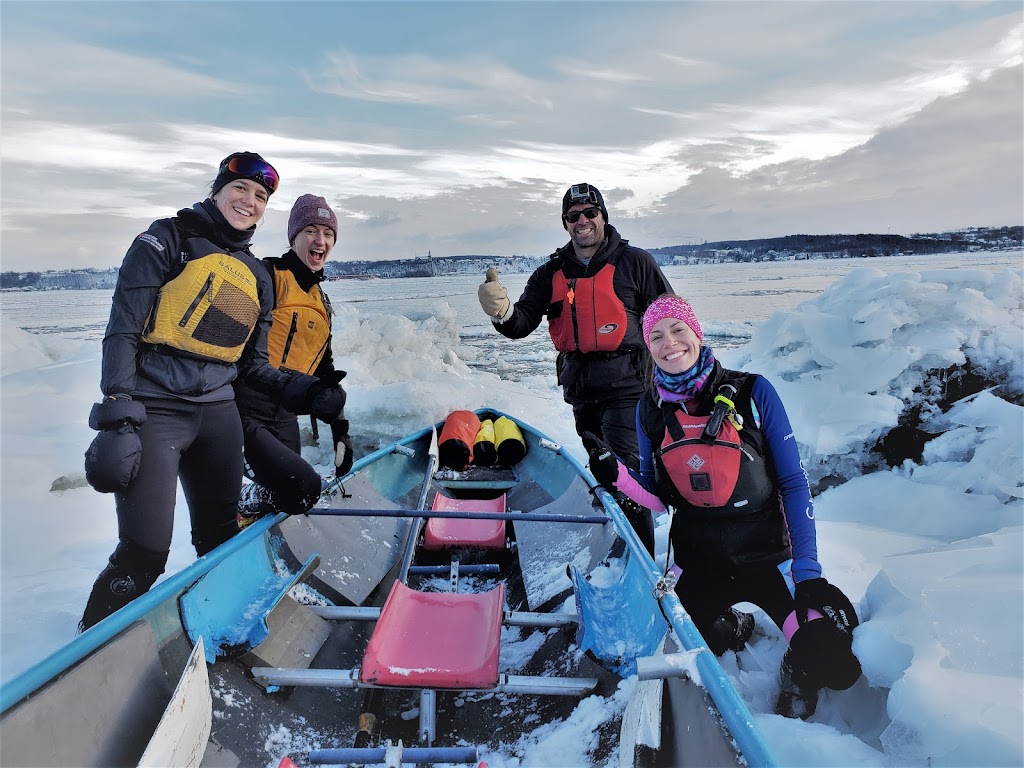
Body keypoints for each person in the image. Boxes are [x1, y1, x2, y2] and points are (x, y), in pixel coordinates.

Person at [80, 153, 346, 631]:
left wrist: (306, 392)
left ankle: (220, 626)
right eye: (241, 189)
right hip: (157, 408)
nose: (249, 202)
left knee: (222, 537)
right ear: (219, 189)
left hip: (218, 414)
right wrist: (118, 412)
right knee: (146, 550)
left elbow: (253, 366)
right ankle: (88, 646)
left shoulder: (255, 276)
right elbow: (121, 330)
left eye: (260, 196)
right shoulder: (165, 239)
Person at [583, 293, 862, 718]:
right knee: (666, 647)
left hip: (768, 556)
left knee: (830, 659)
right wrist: (617, 477)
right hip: (698, 562)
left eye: (678, 330)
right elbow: (660, 499)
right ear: (648, 346)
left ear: (696, 333)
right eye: (656, 336)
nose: (668, 342)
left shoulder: (754, 392)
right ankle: (731, 627)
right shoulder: (649, 409)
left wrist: (808, 574)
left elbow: (793, 484)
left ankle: (796, 664)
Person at [477, 182, 672, 553]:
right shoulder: (550, 273)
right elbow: (521, 323)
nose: (582, 221)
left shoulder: (635, 263)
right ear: (565, 223)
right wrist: (500, 312)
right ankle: (613, 545)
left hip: (629, 386)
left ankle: (640, 561)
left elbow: (669, 315)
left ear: (602, 217)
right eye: (573, 216)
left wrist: (683, 372)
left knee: (625, 474)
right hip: (581, 390)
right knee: (601, 468)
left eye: (589, 213)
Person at [234, 194, 354, 521]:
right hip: (244, 412)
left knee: (287, 502)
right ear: (294, 236)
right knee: (299, 488)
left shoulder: (321, 300)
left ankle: (252, 518)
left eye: (328, 234)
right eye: (311, 231)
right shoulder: (268, 276)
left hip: (284, 416)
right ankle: (233, 504)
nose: (320, 240)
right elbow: (240, 354)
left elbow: (325, 370)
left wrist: (341, 429)